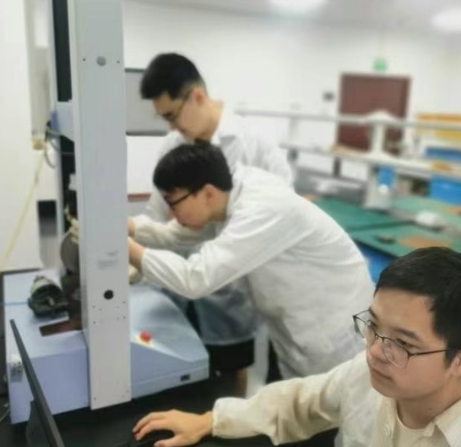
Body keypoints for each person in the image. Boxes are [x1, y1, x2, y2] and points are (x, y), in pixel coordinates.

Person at [131, 247, 461, 447]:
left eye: (403, 343)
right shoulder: (366, 377)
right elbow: (300, 402)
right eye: (373, 326)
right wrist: (212, 420)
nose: (375, 352)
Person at [128, 142, 374, 380]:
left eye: (173, 202)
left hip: (330, 332)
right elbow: (177, 234)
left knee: (330, 402)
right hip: (296, 328)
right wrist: (127, 227)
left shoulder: (260, 208)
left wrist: (128, 250)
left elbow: (195, 279)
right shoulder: (228, 193)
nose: (170, 213)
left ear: (208, 193)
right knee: (294, 399)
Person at [133, 53, 293, 391]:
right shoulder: (172, 145)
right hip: (176, 283)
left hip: (231, 290)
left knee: (231, 369)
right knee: (176, 367)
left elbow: (278, 216)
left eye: (172, 115)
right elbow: (158, 212)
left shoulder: (253, 144)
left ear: (197, 96)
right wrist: (138, 257)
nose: (171, 127)